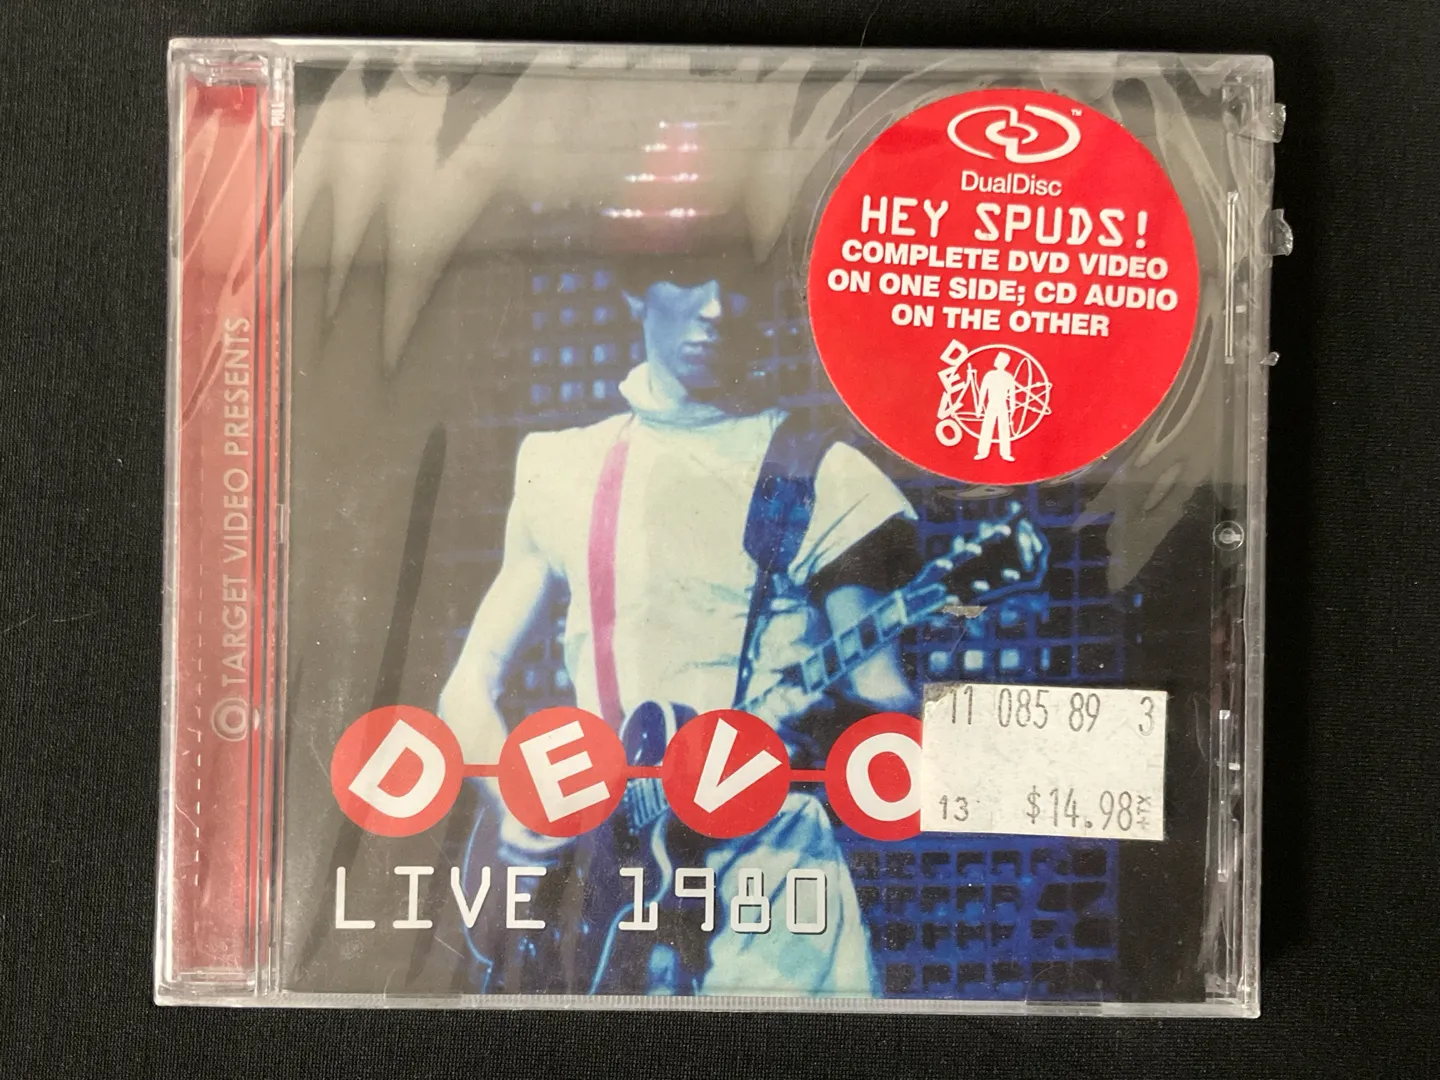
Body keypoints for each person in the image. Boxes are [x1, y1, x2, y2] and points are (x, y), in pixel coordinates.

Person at [438, 253, 923, 997]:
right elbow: (468, 684)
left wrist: (820, 717)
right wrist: (514, 801)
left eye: (742, 281)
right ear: (635, 285)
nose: (718, 308)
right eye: (691, 273)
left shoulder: (823, 473)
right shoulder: (562, 466)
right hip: (607, 869)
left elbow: (885, 700)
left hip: (770, 871)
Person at [974, 352, 1018, 462]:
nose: (995, 360)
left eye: (997, 359)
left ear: (1002, 362)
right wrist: (979, 407)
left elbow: (1012, 395)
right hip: (992, 404)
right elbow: (983, 392)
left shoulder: (1008, 377)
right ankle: (982, 452)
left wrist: (1012, 409)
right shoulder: (990, 375)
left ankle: (1006, 454)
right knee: (987, 427)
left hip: (1002, 405)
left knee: (1004, 429)